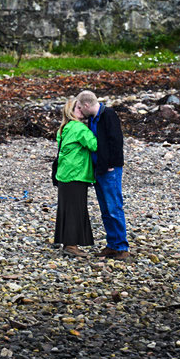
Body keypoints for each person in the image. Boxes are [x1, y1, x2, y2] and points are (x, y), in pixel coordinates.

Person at [76, 90, 130, 260]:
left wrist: (111, 165)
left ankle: (121, 246)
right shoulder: (93, 118)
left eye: (79, 107)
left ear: (86, 105)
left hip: (110, 170)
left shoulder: (108, 115)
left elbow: (116, 141)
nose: (78, 110)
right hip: (99, 169)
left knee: (114, 207)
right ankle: (112, 244)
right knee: (106, 209)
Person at [54, 97, 98, 257]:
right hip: (76, 174)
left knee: (67, 209)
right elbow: (94, 145)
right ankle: (71, 245)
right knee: (75, 209)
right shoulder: (79, 128)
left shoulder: (64, 128)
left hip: (64, 174)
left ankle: (68, 242)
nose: (82, 110)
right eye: (78, 108)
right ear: (71, 112)